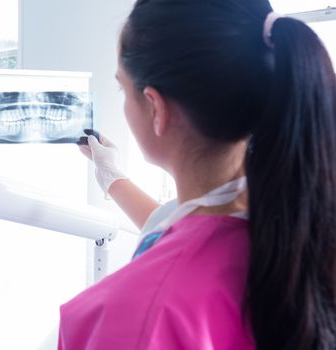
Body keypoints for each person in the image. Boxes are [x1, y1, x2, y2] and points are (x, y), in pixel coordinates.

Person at [59, 0, 336, 349]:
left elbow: (187, 253)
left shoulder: (126, 316)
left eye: (122, 89)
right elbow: (189, 231)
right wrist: (111, 176)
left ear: (155, 108)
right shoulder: (296, 217)